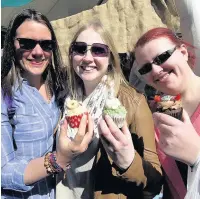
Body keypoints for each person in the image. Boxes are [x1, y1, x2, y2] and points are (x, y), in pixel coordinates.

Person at [56, 20, 163, 199]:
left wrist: (128, 162)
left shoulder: (133, 102)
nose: (87, 58)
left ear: (111, 58)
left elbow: (155, 182)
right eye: (80, 48)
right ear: (71, 54)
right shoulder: (63, 98)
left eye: (98, 50)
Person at [1, 9, 93, 198]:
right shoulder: (5, 96)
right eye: (26, 43)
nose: (37, 52)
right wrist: (59, 159)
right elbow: (3, 172)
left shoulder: (61, 87)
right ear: (12, 44)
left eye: (46, 45)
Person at [134, 27, 200, 199]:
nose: (155, 70)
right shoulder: (156, 122)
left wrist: (197, 155)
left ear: (184, 52)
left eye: (162, 57)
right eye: (146, 68)